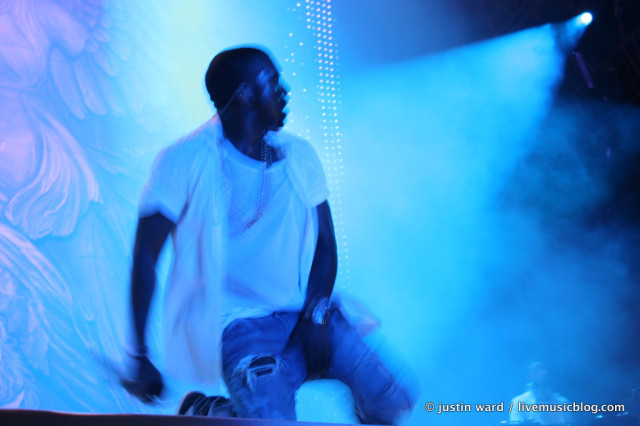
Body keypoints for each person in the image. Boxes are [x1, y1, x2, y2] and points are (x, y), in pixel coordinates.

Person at [127, 46, 415, 423]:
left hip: (305, 315)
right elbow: (145, 255)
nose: (285, 91)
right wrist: (139, 355)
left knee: (392, 402)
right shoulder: (184, 159)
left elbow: (326, 245)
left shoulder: (300, 155)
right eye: (274, 83)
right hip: (241, 328)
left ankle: (225, 413)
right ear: (245, 94)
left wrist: (315, 315)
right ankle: (211, 411)